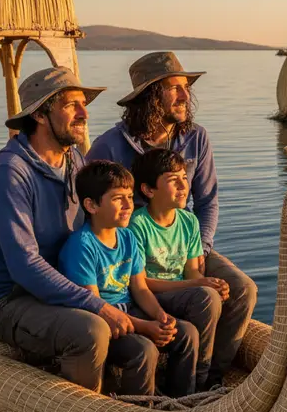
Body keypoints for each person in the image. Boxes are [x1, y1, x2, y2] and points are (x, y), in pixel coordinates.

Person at [87, 51, 257, 382]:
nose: (185, 95)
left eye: (186, 87)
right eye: (174, 88)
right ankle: (186, 377)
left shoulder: (196, 137)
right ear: (151, 96)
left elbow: (207, 200)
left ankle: (213, 377)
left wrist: (202, 248)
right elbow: (90, 209)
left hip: (185, 239)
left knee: (243, 289)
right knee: (205, 296)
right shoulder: (109, 146)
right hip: (135, 252)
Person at [0, 67, 134, 393]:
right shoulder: (10, 173)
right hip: (9, 299)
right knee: (91, 330)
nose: (84, 113)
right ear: (40, 115)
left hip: (66, 283)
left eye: (84, 104)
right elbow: (24, 266)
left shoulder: (74, 161)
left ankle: (138, 406)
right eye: (71, 105)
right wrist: (97, 304)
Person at [59, 160, 198, 397]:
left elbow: (140, 288)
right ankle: (139, 410)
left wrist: (160, 316)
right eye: (117, 199)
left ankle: (181, 399)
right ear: (91, 205)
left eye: (130, 197)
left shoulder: (127, 238)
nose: (127, 205)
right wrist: (146, 327)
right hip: (104, 322)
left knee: (187, 333)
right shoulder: (81, 246)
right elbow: (95, 305)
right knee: (144, 350)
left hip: (130, 309)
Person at [130, 148, 244, 390]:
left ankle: (209, 373)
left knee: (217, 293)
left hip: (182, 294)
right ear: (148, 190)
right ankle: (198, 381)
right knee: (205, 296)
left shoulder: (189, 221)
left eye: (184, 177)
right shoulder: (137, 225)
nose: (183, 185)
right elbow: (141, 283)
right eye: (173, 180)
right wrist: (199, 284)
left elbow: (192, 271)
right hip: (152, 296)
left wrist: (210, 283)